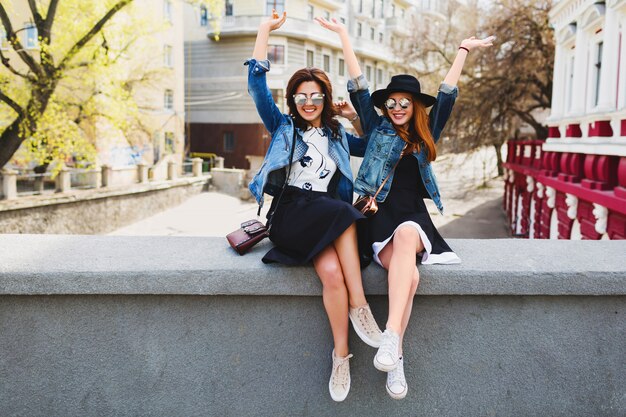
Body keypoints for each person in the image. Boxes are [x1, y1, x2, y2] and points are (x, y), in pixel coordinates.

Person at [317, 16, 494, 399]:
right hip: (377, 217)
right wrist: (345, 36)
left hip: (413, 219)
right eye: (393, 103)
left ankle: (390, 338)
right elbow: (359, 85)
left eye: (405, 103)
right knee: (409, 277)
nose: (397, 108)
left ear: (415, 106)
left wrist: (462, 50)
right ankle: (395, 356)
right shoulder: (376, 127)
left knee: (409, 234)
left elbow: (447, 94)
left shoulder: (427, 133)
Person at [245, 11, 382, 402]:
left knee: (331, 274)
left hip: (325, 217)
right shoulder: (283, 127)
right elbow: (257, 87)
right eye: (301, 97)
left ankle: (341, 356)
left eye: (315, 96)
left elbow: (372, 137)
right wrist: (263, 31)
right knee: (342, 213)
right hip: (291, 213)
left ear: (324, 98)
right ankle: (361, 307)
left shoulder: (337, 134)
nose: (308, 102)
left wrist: (354, 115)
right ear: (294, 100)